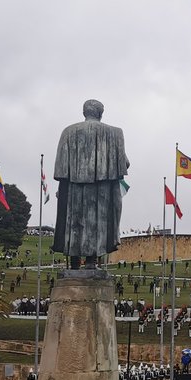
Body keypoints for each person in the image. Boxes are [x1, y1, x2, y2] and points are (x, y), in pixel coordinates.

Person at [52, 99, 130, 269]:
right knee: (98, 222)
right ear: (101, 114)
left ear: (84, 112)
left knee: (74, 221)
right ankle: (91, 261)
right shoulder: (115, 133)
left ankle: (74, 262)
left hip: (74, 186)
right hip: (102, 187)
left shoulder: (68, 131)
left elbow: (60, 167)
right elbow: (124, 164)